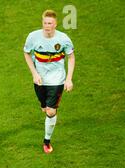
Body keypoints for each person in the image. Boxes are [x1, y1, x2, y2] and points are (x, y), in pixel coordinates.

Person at [23, 9, 75, 153]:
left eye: (50, 23)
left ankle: (46, 141)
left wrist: (69, 79)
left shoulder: (63, 39)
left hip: (57, 80)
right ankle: (46, 110)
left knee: (51, 112)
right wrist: (34, 73)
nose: (47, 26)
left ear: (55, 24)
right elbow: (27, 53)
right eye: (45, 23)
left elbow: (71, 57)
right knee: (45, 109)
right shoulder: (33, 37)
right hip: (39, 79)